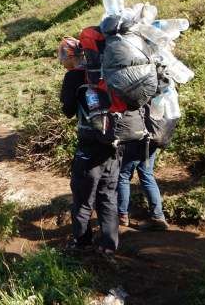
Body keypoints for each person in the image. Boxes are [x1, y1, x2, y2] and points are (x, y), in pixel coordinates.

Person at [59, 37, 122, 255]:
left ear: (70, 55)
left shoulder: (74, 76)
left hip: (89, 145)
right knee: (108, 196)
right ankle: (108, 246)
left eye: (62, 56)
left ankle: (82, 242)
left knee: (83, 196)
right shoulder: (106, 71)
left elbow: (67, 110)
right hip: (113, 144)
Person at [117, 139, 169, 231]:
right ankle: (158, 216)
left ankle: (122, 216)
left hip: (133, 141)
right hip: (150, 142)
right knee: (147, 177)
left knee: (123, 177)